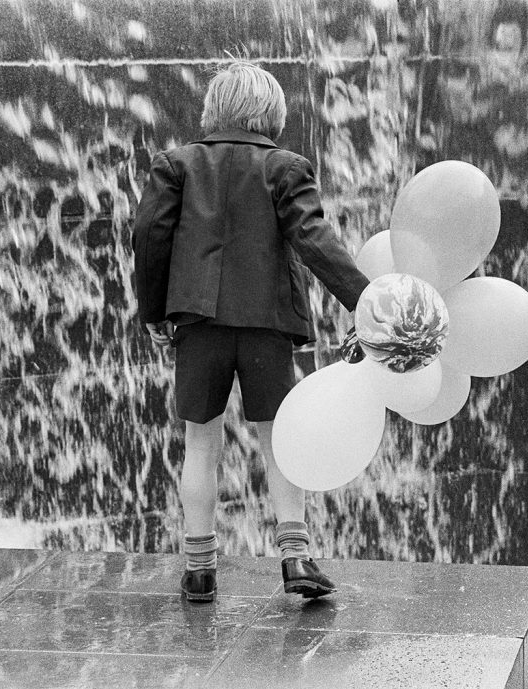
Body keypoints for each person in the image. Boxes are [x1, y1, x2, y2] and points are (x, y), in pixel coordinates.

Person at [131, 60, 369, 602]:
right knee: (280, 441)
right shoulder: (285, 167)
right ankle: (296, 559)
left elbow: (149, 234)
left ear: (214, 109)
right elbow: (312, 238)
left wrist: (155, 311)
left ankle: (198, 569)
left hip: (198, 323)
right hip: (266, 323)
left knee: (201, 441)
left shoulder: (177, 164)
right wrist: (364, 297)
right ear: (270, 113)